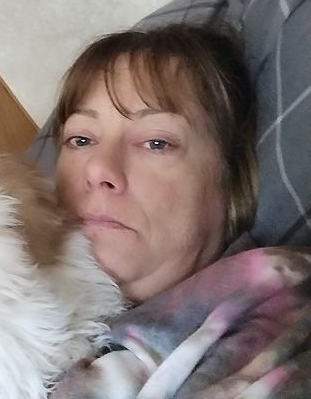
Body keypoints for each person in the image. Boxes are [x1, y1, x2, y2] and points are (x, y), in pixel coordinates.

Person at [49, 23, 311, 398]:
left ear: (230, 184)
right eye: (80, 139)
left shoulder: (279, 324)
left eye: (156, 142)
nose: (98, 168)